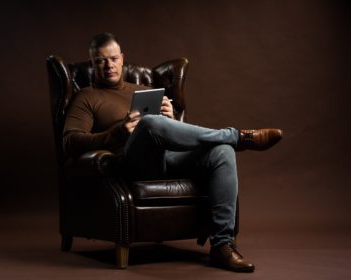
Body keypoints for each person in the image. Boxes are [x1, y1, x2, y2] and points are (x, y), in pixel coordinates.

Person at [63, 32, 283, 272]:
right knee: (149, 123)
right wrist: (118, 133)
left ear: (122, 58)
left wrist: (172, 117)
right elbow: (71, 142)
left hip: (167, 158)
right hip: (129, 166)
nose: (108, 65)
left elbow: (174, 134)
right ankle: (237, 136)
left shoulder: (144, 90)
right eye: (100, 61)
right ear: (92, 63)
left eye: (113, 58)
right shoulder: (86, 97)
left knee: (222, 152)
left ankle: (222, 246)